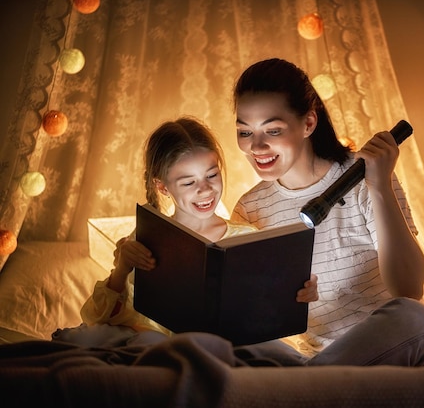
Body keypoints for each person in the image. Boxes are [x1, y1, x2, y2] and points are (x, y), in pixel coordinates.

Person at [229, 58, 424, 366]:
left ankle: (314, 383)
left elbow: (410, 288)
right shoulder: (249, 209)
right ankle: (318, 381)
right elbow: (255, 313)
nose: (257, 146)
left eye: (273, 130)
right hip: (312, 359)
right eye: (245, 132)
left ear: (308, 123)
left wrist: (380, 185)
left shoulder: (363, 176)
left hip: (387, 353)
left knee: (416, 318)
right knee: (231, 341)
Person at [79, 116, 319, 340]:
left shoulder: (247, 239)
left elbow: (268, 314)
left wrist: (298, 297)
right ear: (162, 187)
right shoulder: (146, 240)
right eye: (188, 182)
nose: (204, 190)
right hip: (157, 351)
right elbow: (93, 318)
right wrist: (121, 269)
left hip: (226, 351)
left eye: (212, 175)